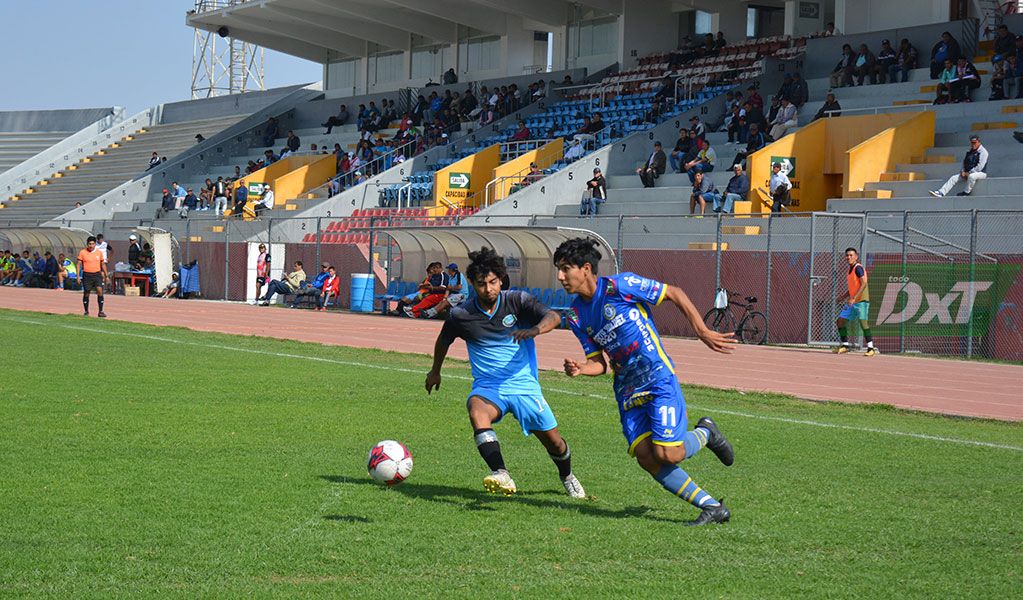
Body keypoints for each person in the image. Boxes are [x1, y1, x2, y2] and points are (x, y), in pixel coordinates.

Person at [554, 238, 735, 525]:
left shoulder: (620, 286)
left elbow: (673, 293)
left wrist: (701, 330)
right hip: (626, 391)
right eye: (559, 270)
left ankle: (706, 434)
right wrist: (580, 369)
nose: (560, 277)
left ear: (586, 268)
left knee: (669, 453)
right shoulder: (576, 315)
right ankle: (712, 507)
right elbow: (600, 364)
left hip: (657, 378)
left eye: (565, 269)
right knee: (646, 457)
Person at [425, 247, 585, 498]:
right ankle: (501, 473)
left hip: (524, 386)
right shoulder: (461, 314)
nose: (488, 289)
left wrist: (536, 330)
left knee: (553, 441)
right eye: (481, 284)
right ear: (471, 283)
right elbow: (444, 340)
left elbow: (552, 316)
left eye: (493, 282)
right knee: (476, 410)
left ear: (501, 280)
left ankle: (567, 476)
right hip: (488, 386)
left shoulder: (517, 302)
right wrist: (435, 371)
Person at [834, 248, 876, 356]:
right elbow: (853, 287)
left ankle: (871, 348)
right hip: (852, 302)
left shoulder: (858, 268)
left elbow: (864, 284)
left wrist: (854, 298)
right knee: (840, 321)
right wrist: (843, 297)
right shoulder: (850, 270)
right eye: (847, 255)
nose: (849, 257)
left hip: (861, 301)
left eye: (851, 255)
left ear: (856, 257)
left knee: (863, 323)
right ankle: (845, 345)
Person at [77, 236, 107, 318]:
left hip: (97, 274)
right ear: (87, 244)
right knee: (87, 292)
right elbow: (79, 264)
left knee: (100, 290)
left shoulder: (99, 253)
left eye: (93, 244)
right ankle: (86, 311)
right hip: (87, 275)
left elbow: (102, 264)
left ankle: (101, 311)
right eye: (89, 244)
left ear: (95, 244)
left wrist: (106, 275)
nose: (91, 246)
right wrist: (78, 276)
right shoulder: (82, 252)